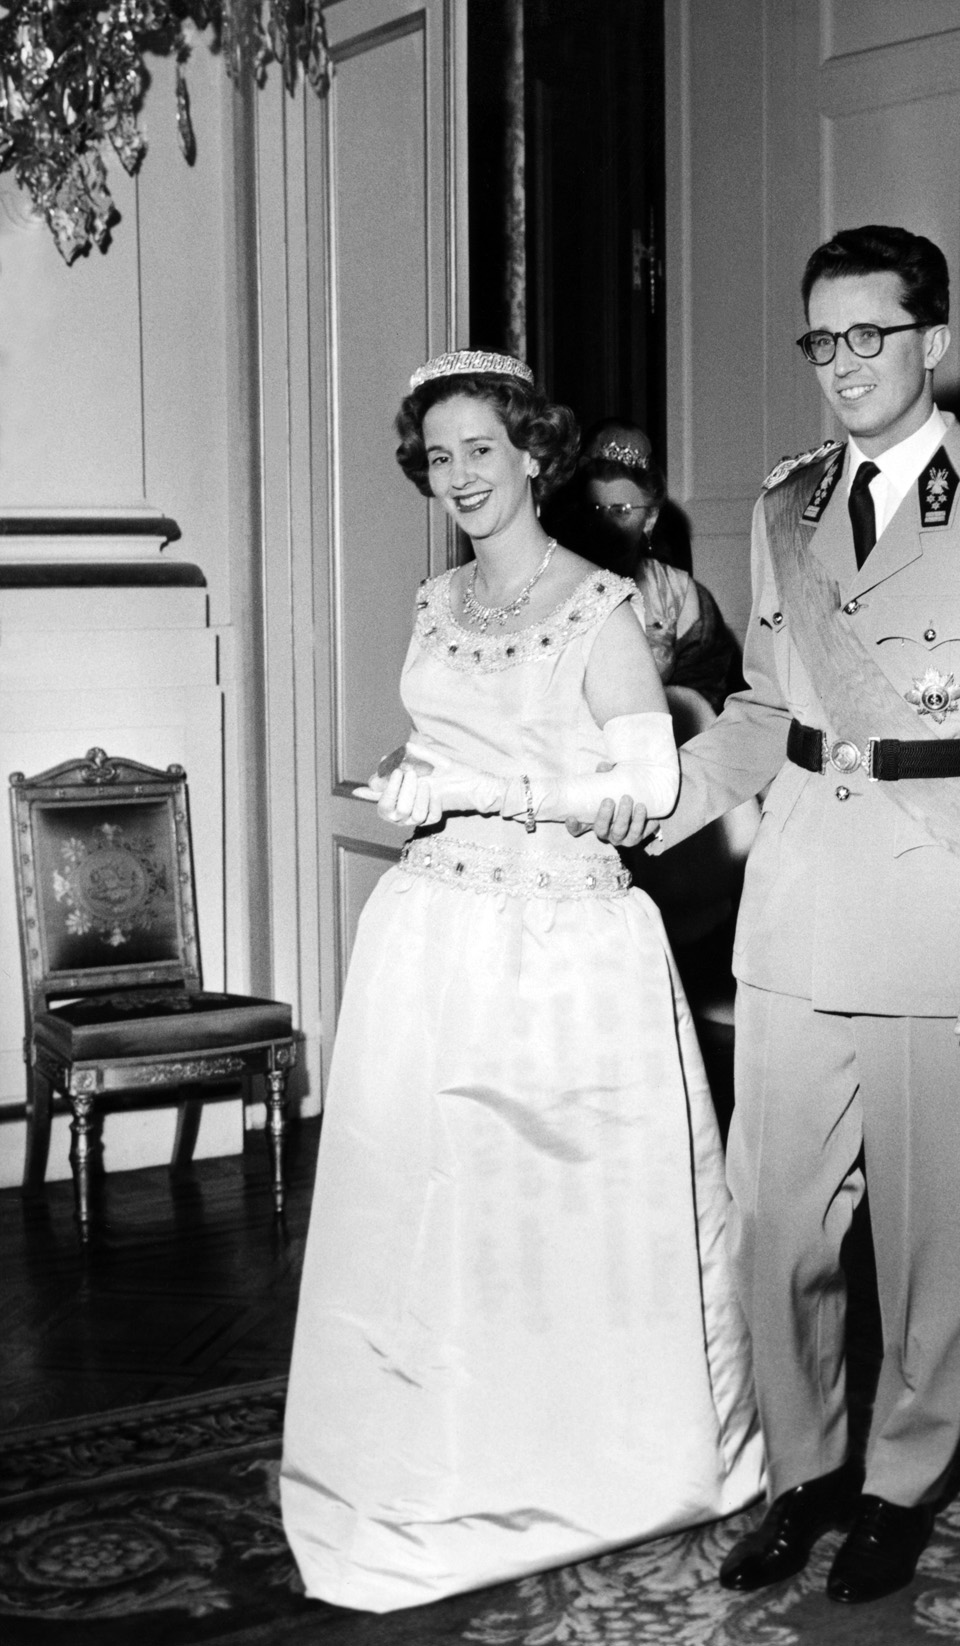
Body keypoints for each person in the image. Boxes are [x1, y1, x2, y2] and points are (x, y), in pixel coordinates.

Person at [594, 226, 960, 1605]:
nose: (843, 365)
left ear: (932, 339)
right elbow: (771, 711)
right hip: (797, 917)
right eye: (821, 341)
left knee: (935, 1240)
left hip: (949, 923)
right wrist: (657, 793)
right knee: (774, 1229)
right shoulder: (786, 506)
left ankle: (893, 1486)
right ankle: (806, 1464)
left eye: (869, 335)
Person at [280, 349, 762, 1612]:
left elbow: (646, 793)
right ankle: (449, 1456)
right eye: (439, 458)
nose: (461, 477)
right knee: (440, 1213)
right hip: (438, 927)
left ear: (535, 454)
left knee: (556, 1217)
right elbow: (452, 735)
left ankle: (589, 1467)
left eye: (481, 449)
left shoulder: (601, 607)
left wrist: (481, 788)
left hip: (564, 942)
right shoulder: (439, 601)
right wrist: (408, 770)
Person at [567, 420, 742, 713]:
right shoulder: (554, 582)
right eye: (595, 510)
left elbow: (710, 696)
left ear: (649, 519)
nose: (605, 525)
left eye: (621, 511)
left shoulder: (679, 595)